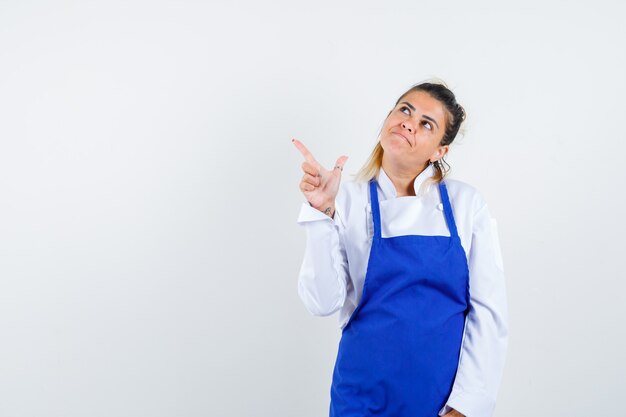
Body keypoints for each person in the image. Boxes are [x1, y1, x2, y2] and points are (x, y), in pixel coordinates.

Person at [292, 80, 509, 417]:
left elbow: (489, 311)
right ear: (388, 118)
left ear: (440, 151)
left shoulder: (466, 205)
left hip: (440, 402)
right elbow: (322, 302)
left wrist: (467, 405)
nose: (409, 122)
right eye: (405, 110)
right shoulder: (346, 199)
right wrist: (321, 213)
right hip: (359, 398)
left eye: (426, 123)